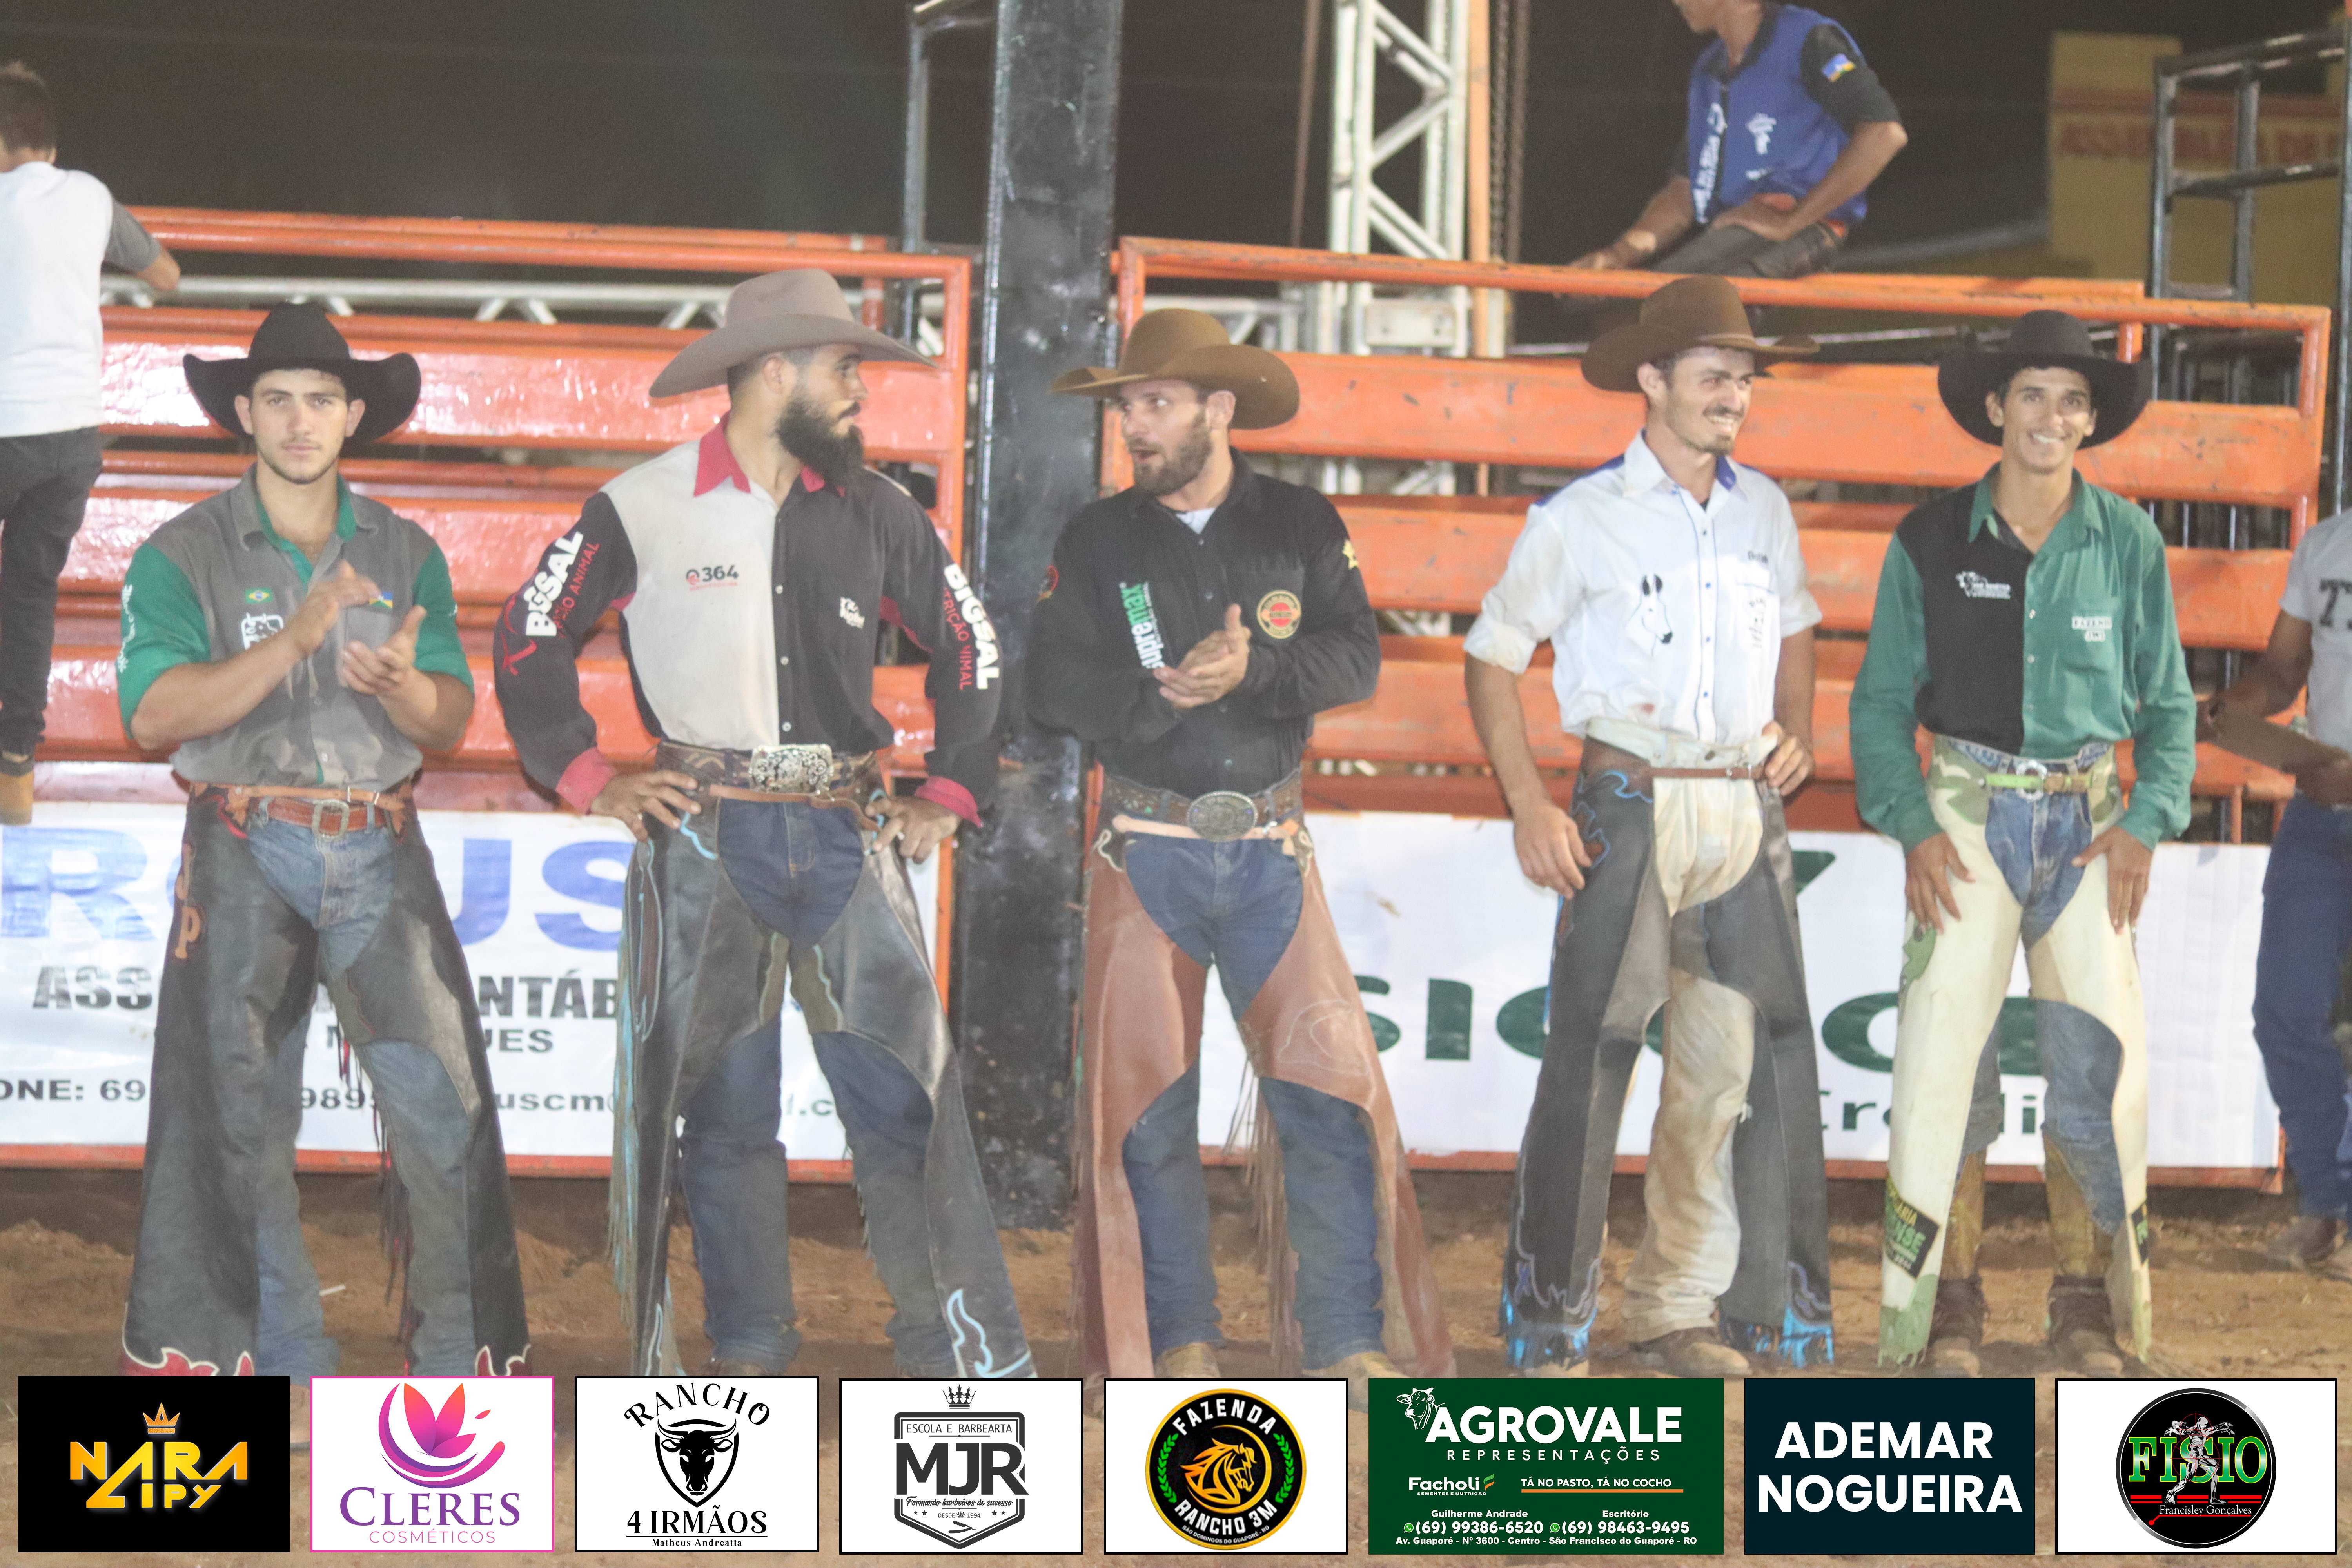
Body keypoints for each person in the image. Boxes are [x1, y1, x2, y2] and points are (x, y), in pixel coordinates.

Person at [494, 269, 1031, 1379]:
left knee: (903, 1097)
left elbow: (971, 642)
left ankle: (944, 1351)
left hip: (843, 821)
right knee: (726, 1109)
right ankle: (752, 1347)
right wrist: (586, 774)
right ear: (774, 372)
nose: (860, 392)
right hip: (710, 828)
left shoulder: (881, 511)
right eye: (845, 369)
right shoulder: (641, 503)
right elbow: (531, 629)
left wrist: (951, 790)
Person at [114, 306, 530, 1438]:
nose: (300, 422)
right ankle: (284, 1370)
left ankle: (452, 1375)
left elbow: (449, 718)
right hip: (242, 838)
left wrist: (406, 688)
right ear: (245, 416)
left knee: (443, 1110)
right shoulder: (181, 552)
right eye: (278, 400)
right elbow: (152, 715)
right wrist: (294, 640)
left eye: (320, 401)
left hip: (379, 833)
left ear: (353, 417)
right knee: (238, 1121)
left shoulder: (405, 549)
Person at [1034, 308, 1455, 1405]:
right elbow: (1051, 682)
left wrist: (1253, 671)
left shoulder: (1301, 523)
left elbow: (1357, 657)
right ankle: (1183, 1337)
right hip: (1148, 844)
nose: (1134, 425)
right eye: (1127, 406)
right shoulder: (1098, 538)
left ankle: (1343, 1335)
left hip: (1268, 842)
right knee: (1150, 1110)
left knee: (1325, 1093)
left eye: (1155, 404)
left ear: (1218, 409)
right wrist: (1159, 696)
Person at [1464, 274, 1831, 1379]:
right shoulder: (1578, 518)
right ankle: (1551, 1324)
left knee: (1727, 1074)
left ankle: (1679, 1307)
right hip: (1627, 798)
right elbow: (1492, 655)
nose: (1734, 396)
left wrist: (1800, 730)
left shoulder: (1764, 510)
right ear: (1653, 380)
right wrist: (1530, 801)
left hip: (1740, 800)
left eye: (1744, 379)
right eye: (1714, 376)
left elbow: (1798, 627)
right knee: (1593, 1059)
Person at [1851, 310, 2194, 1376]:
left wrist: (2146, 820)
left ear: (2092, 420)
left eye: (2073, 400)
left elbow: (2170, 704)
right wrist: (1913, 823)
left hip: (2090, 816)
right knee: (1943, 1060)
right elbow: (1879, 702)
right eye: (2034, 394)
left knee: (2095, 1062)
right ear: (1997, 407)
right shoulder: (1929, 539)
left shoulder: (2129, 541)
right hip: (1964, 807)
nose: (2052, 416)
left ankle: (2085, 1303)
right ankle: (1946, 1304)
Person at [0, 61, 179, 824]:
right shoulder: (90, 196)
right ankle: (15, 768)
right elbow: (166, 274)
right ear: (50, 138)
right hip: (73, 436)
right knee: (29, 593)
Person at [2204, 516, 2352, 1283]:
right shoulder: (2326, 545)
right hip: (2319, 814)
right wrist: (2233, 708)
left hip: (2329, 797)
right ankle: (2328, 1203)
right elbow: (2284, 669)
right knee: (2286, 1011)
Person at [1569, 0, 1905, 279]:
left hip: (1803, 228)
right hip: (1737, 234)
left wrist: (1792, 221)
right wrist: (1619, 254)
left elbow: (1884, 133)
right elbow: (1685, 191)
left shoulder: (1809, 39)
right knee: (1608, 299)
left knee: (1669, 300)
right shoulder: (1709, 70)